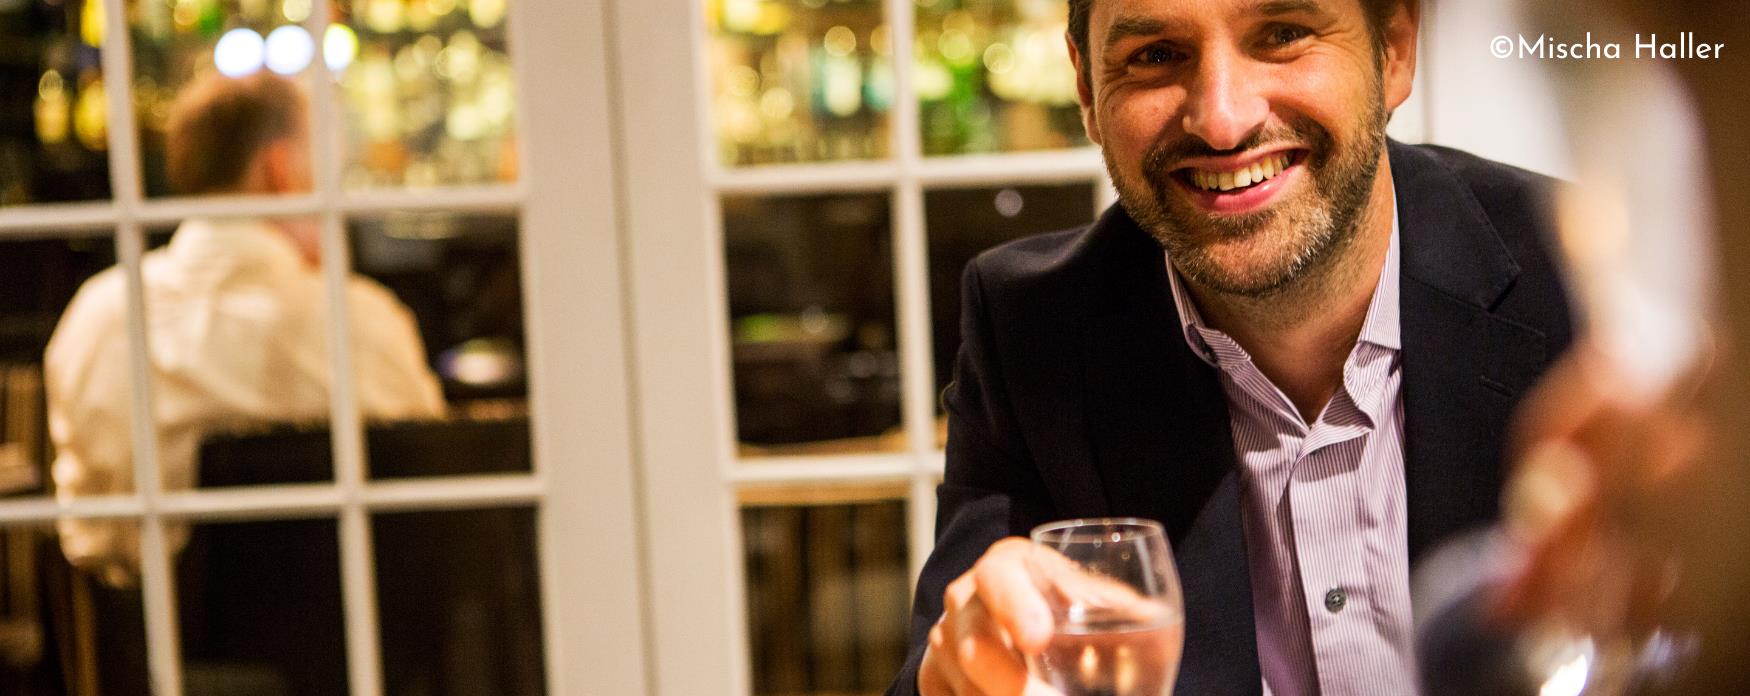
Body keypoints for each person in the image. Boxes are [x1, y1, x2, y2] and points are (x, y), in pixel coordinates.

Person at [890, 0, 1575, 694]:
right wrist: (963, 674)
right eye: (1156, 55)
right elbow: (949, 666)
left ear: (1393, 47)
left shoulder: (1592, 279)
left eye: (1282, 36)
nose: (1222, 120)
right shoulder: (1033, 331)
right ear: (1088, 91)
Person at [44, 71, 444, 587]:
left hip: (143, 650)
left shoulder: (97, 316)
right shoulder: (356, 322)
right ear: (280, 171)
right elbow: (436, 499)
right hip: (350, 645)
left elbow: (83, 535)